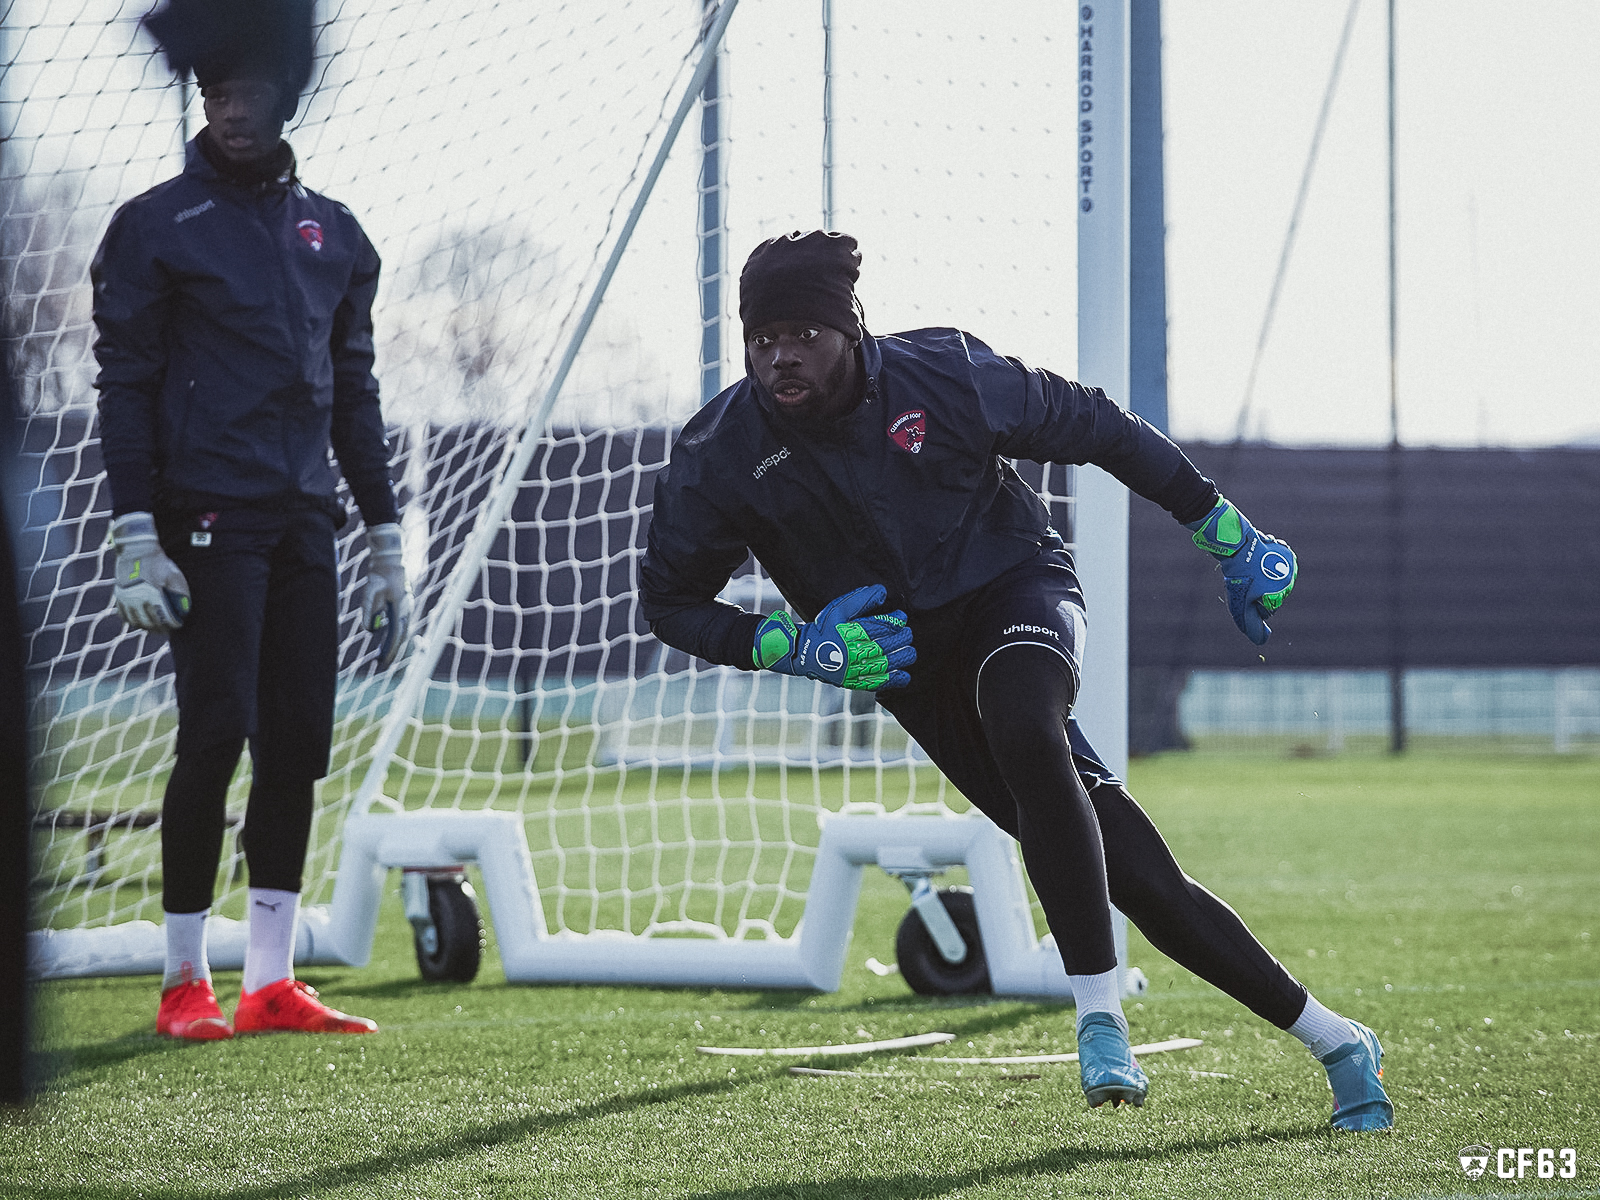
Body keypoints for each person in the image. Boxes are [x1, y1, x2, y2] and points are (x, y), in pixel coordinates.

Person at [639, 230, 1393, 1130]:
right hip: (915, 671)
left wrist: (1223, 529)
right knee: (1142, 879)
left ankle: (1098, 1012)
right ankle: (1339, 1040)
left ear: (852, 331)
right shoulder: (721, 449)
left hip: (1018, 591)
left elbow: (1101, 425)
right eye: (762, 340)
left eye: (803, 333)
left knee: (1026, 722)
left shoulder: (947, 374)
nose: (780, 357)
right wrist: (792, 646)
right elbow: (671, 602)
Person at [93, 0, 411, 1040]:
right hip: (206, 517)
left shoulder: (340, 235)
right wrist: (135, 528)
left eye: (249, 90)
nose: (230, 108)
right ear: (200, 96)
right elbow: (126, 385)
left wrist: (385, 539)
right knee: (216, 730)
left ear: (285, 95)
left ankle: (270, 980)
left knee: (297, 745)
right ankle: (185, 980)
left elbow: (353, 391)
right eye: (213, 90)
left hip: (306, 520)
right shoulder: (152, 227)